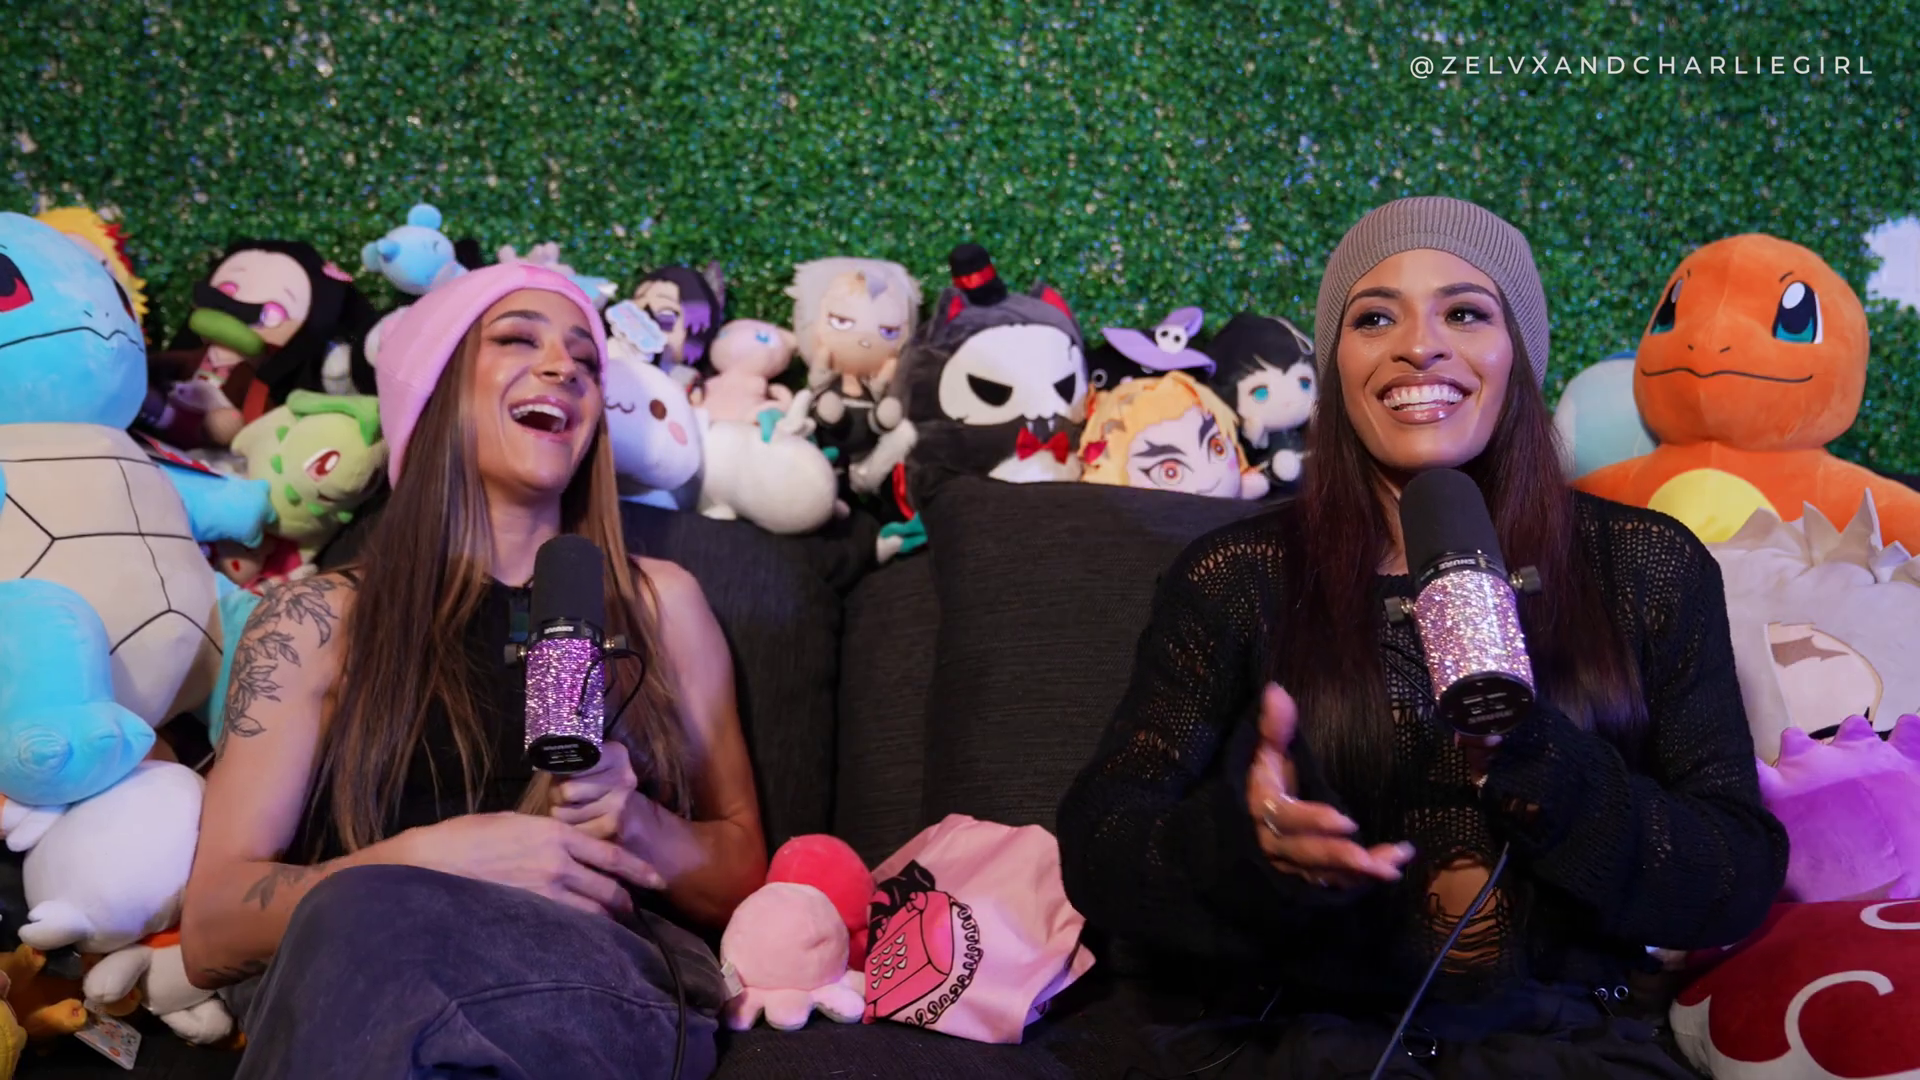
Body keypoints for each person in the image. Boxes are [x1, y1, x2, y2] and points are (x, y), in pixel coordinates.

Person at [1056, 197, 1788, 1079]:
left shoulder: (1645, 565)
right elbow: (1100, 841)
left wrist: (1546, 768)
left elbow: (1737, 874)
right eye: (1374, 319)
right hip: (1301, 1042)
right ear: (1336, 364)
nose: (1420, 346)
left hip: (1571, 1048)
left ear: (1519, 354)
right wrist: (1236, 848)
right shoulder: (1237, 576)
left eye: (1466, 313)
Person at [180, 262, 768, 1080]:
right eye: (518, 340)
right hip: (365, 968)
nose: (564, 368)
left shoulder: (660, 604)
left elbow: (744, 878)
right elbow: (211, 931)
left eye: (586, 360)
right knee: (364, 926)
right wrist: (428, 861)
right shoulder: (316, 619)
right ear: (436, 384)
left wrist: (635, 823)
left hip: (593, 976)